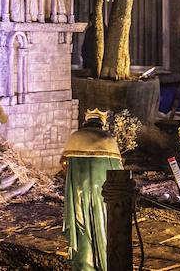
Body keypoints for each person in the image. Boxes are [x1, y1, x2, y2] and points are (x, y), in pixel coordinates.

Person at [62, 110, 123, 271]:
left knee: (82, 229)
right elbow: (118, 169)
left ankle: (84, 266)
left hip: (78, 194)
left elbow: (65, 167)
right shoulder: (108, 140)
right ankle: (104, 265)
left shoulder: (75, 138)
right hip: (102, 195)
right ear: (101, 123)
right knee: (102, 228)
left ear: (86, 122)